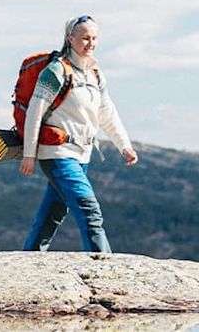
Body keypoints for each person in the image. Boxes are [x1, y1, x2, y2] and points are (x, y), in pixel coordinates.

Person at [19, 15, 138, 253]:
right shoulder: (56, 71)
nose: (90, 43)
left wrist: (124, 145)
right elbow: (35, 112)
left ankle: (28, 259)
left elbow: (106, 112)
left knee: (52, 213)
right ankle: (104, 265)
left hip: (82, 154)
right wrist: (29, 155)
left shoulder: (95, 73)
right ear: (70, 38)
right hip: (57, 153)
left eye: (94, 38)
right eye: (85, 38)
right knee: (88, 209)